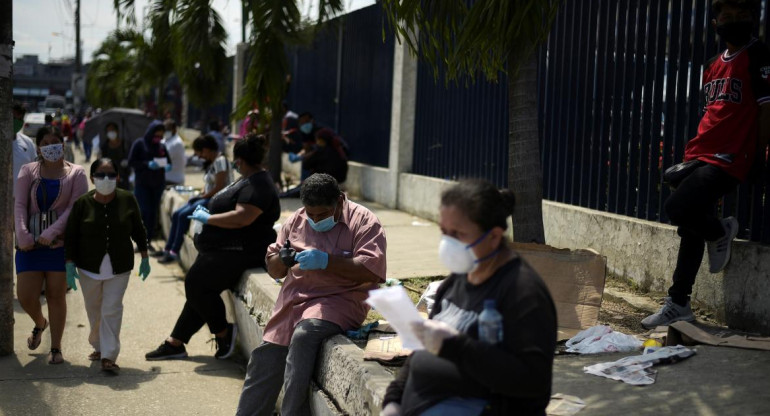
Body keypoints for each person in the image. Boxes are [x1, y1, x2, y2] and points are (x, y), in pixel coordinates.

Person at [642, 0, 770, 328]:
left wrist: (759, 154)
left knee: (678, 208)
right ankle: (678, 302)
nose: (735, 21)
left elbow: (765, 110)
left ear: (752, 19)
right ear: (716, 23)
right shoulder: (712, 64)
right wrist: (691, 157)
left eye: (742, 15)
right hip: (698, 154)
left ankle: (719, 230)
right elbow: (714, 113)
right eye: (727, 16)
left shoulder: (758, 55)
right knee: (688, 228)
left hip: (729, 158)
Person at [381, 180, 557, 416]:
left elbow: (533, 381)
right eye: (444, 232)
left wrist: (455, 346)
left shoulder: (523, 292)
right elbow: (421, 350)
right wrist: (394, 399)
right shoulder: (456, 281)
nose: (448, 243)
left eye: (458, 234)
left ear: (494, 237)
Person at [236, 173, 387, 416]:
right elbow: (274, 268)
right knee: (266, 357)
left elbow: (371, 270)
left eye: (323, 215)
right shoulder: (296, 220)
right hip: (295, 299)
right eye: (311, 214)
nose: (315, 220)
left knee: (304, 336)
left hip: (341, 298)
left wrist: (327, 261)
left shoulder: (365, 222)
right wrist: (281, 260)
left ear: (339, 201)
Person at [145, 134, 280, 361]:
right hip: (226, 248)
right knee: (200, 291)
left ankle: (224, 333)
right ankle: (175, 342)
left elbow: (242, 218)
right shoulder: (249, 177)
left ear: (239, 161)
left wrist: (209, 220)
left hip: (243, 251)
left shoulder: (259, 185)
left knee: (196, 284)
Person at [64, 158, 151, 372]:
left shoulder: (127, 199)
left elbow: (139, 230)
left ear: (118, 177)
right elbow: (71, 235)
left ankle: (109, 356)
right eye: (101, 175)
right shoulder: (82, 203)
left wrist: (145, 257)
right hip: (88, 267)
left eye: (111, 174)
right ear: (92, 178)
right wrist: (69, 264)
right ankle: (99, 345)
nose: (106, 179)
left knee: (111, 309)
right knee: (94, 310)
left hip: (119, 266)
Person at [14, 126, 89, 365]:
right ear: (38, 147)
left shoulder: (77, 173)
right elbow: (19, 206)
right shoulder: (28, 171)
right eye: (45, 142)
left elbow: (75, 207)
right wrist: (23, 234)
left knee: (57, 296)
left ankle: (56, 348)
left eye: (55, 142)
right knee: (26, 296)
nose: (51, 146)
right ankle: (40, 322)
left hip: (59, 246)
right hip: (30, 246)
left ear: (63, 145)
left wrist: (52, 232)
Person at [156, 135, 232, 264]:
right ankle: (167, 249)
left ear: (207, 149)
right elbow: (209, 186)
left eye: (200, 152)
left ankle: (174, 252)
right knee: (177, 214)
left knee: (184, 216)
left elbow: (220, 187)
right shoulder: (213, 162)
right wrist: (199, 195)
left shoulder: (221, 161)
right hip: (208, 197)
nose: (200, 156)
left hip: (215, 200)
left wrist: (202, 197)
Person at [128, 120, 172, 253]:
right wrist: (147, 164)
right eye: (156, 135)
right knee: (144, 212)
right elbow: (131, 161)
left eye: (160, 136)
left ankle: (148, 241)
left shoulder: (161, 147)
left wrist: (167, 166)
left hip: (157, 185)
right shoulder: (140, 144)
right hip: (143, 185)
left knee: (153, 214)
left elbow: (169, 162)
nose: (157, 138)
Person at [12, 102, 37, 193]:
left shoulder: (28, 143)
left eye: (20, 119)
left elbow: (35, 172)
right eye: (13, 118)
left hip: (22, 200)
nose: (16, 121)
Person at [99, 122, 131, 190]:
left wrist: (127, 161)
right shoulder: (104, 147)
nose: (111, 132)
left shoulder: (125, 144)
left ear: (117, 131)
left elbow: (131, 157)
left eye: (112, 130)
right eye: (108, 131)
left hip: (124, 177)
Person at [163, 119, 186, 186]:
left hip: (174, 180)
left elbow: (164, 158)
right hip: (166, 178)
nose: (165, 131)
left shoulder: (177, 143)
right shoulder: (166, 140)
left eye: (168, 129)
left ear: (174, 129)